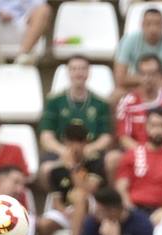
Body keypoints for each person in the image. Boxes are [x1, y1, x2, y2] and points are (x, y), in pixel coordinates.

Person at [38, 57, 114, 186]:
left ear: (89, 73)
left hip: (90, 151)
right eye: (74, 69)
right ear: (68, 73)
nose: (78, 73)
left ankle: (99, 201)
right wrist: (63, 150)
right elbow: (46, 136)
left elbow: (106, 137)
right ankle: (57, 200)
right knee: (45, 169)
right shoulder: (54, 101)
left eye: (82, 69)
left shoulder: (101, 103)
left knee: (108, 162)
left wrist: (89, 148)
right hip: (61, 151)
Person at [114, 108, 162, 220]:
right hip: (134, 209)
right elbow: (121, 187)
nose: (157, 130)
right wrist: (130, 209)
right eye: (153, 125)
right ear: (146, 127)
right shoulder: (132, 154)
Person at [114, 56, 162, 163]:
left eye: (152, 74)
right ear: (138, 76)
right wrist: (144, 153)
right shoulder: (127, 103)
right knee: (113, 158)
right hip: (137, 155)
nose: (148, 78)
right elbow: (124, 138)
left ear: (160, 76)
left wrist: (156, 154)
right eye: (143, 74)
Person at [115, 6, 162, 90]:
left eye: (157, 24)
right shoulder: (128, 40)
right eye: (148, 24)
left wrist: (151, 84)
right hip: (136, 86)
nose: (153, 28)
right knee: (116, 95)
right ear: (142, 25)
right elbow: (120, 78)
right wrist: (146, 81)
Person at [0, 0, 52, 66]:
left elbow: (37, 6)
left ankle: (23, 57)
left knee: (44, 10)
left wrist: (14, 13)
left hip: (23, 24)